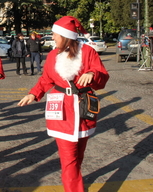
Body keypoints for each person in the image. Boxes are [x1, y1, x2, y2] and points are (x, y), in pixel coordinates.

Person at [17, 16, 109, 192]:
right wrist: (33, 94)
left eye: (54, 35)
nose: (52, 38)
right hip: (61, 111)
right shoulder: (53, 55)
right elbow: (46, 80)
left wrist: (92, 74)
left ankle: (74, 180)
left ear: (65, 36)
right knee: (69, 160)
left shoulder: (88, 52)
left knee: (77, 158)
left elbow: (102, 76)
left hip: (83, 110)